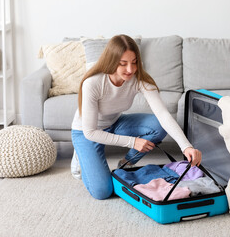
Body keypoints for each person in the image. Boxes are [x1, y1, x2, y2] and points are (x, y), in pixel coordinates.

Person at [71, 34, 202, 200]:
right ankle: (80, 154)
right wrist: (133, 142)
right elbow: (90, 132)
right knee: (102, 192)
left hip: (114, 123)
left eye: (134, 62)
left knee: (158, 126)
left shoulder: (138, 79)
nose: (130, 69)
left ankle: (127, 161)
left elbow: (162, 114)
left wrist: (186, 146)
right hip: (86, 132)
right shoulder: (93, 83)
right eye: (123, 64)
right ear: (111, 61)